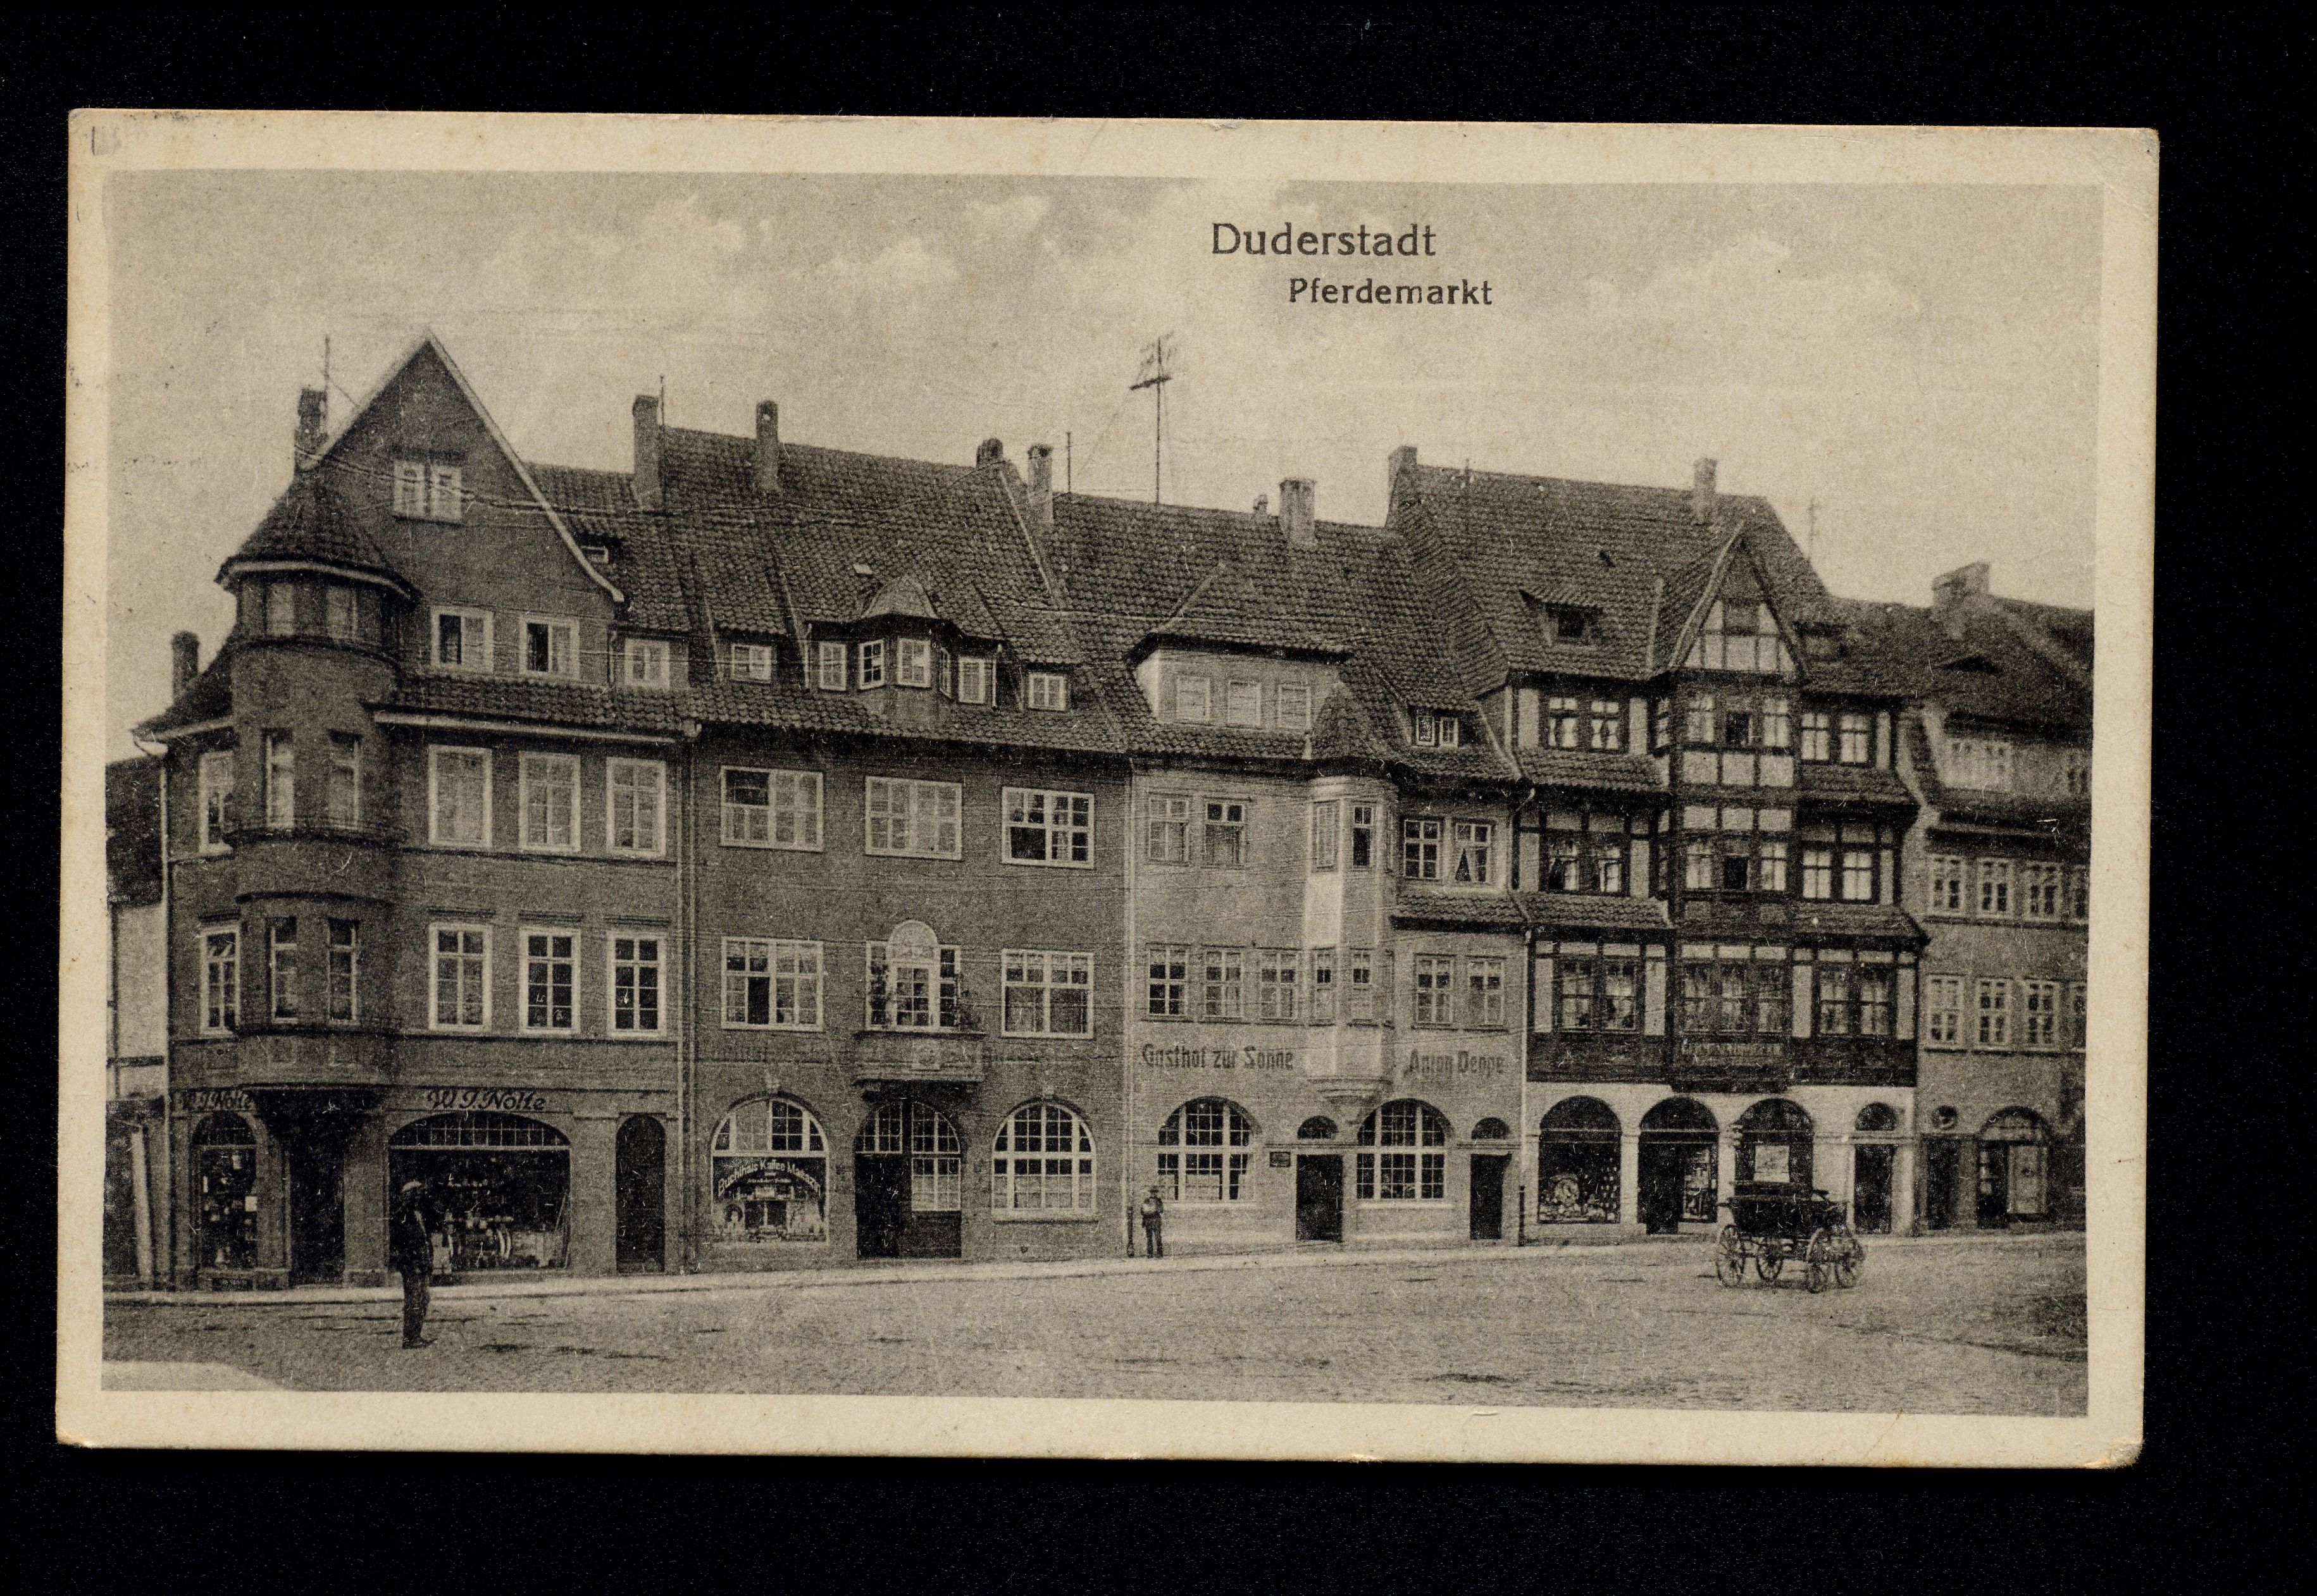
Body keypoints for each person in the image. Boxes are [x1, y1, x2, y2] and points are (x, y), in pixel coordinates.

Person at [388, 1179, 438, 1348]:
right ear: (408, 1196)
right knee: (414, 1301)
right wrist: (411, 1264)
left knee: (423, 1299)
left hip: (421, 1264)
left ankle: (416, 1335)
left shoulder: (418, 1215)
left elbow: (424, 1240)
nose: (419, 1198)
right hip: (412, 1266)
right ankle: (410, 1338)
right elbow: (401, 1245)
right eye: (416, 1195)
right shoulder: (402, 1216)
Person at [1138, 1185, 1165, 1259]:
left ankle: (1160, 1253)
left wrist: (1155, 1210)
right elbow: (1142, 1211)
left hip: (1156, 1221)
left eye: (1155, 1192)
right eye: (1152, 1192)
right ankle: (1150, 1254)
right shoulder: (1146, 1201)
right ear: (1150, 1193)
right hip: (1148, 1221)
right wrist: (1148, 1211)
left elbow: (1161, 1210)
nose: (1153, 1194)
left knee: (1158, 1237)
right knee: (1149, 1238)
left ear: (1156, 1193)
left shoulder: (1159, 1201)